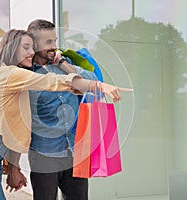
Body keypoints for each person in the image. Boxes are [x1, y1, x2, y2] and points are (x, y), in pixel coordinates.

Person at [0, 29, 131, 200]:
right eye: (26, 47)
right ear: (11, 48)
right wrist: (99, 86)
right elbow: (51, 81)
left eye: (32, 47)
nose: (31, 52)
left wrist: (13, 167)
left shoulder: (17, 80)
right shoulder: (9, 74)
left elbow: (17, 128)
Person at [25, 19, 126, 200]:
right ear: (34, 44)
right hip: (44, 153)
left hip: (73, 150)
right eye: (48, 42)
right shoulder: (26, 73)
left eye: (54, 40)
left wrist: (63, 64)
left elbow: (91, 81)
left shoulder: (65, 63)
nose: (54, 46)